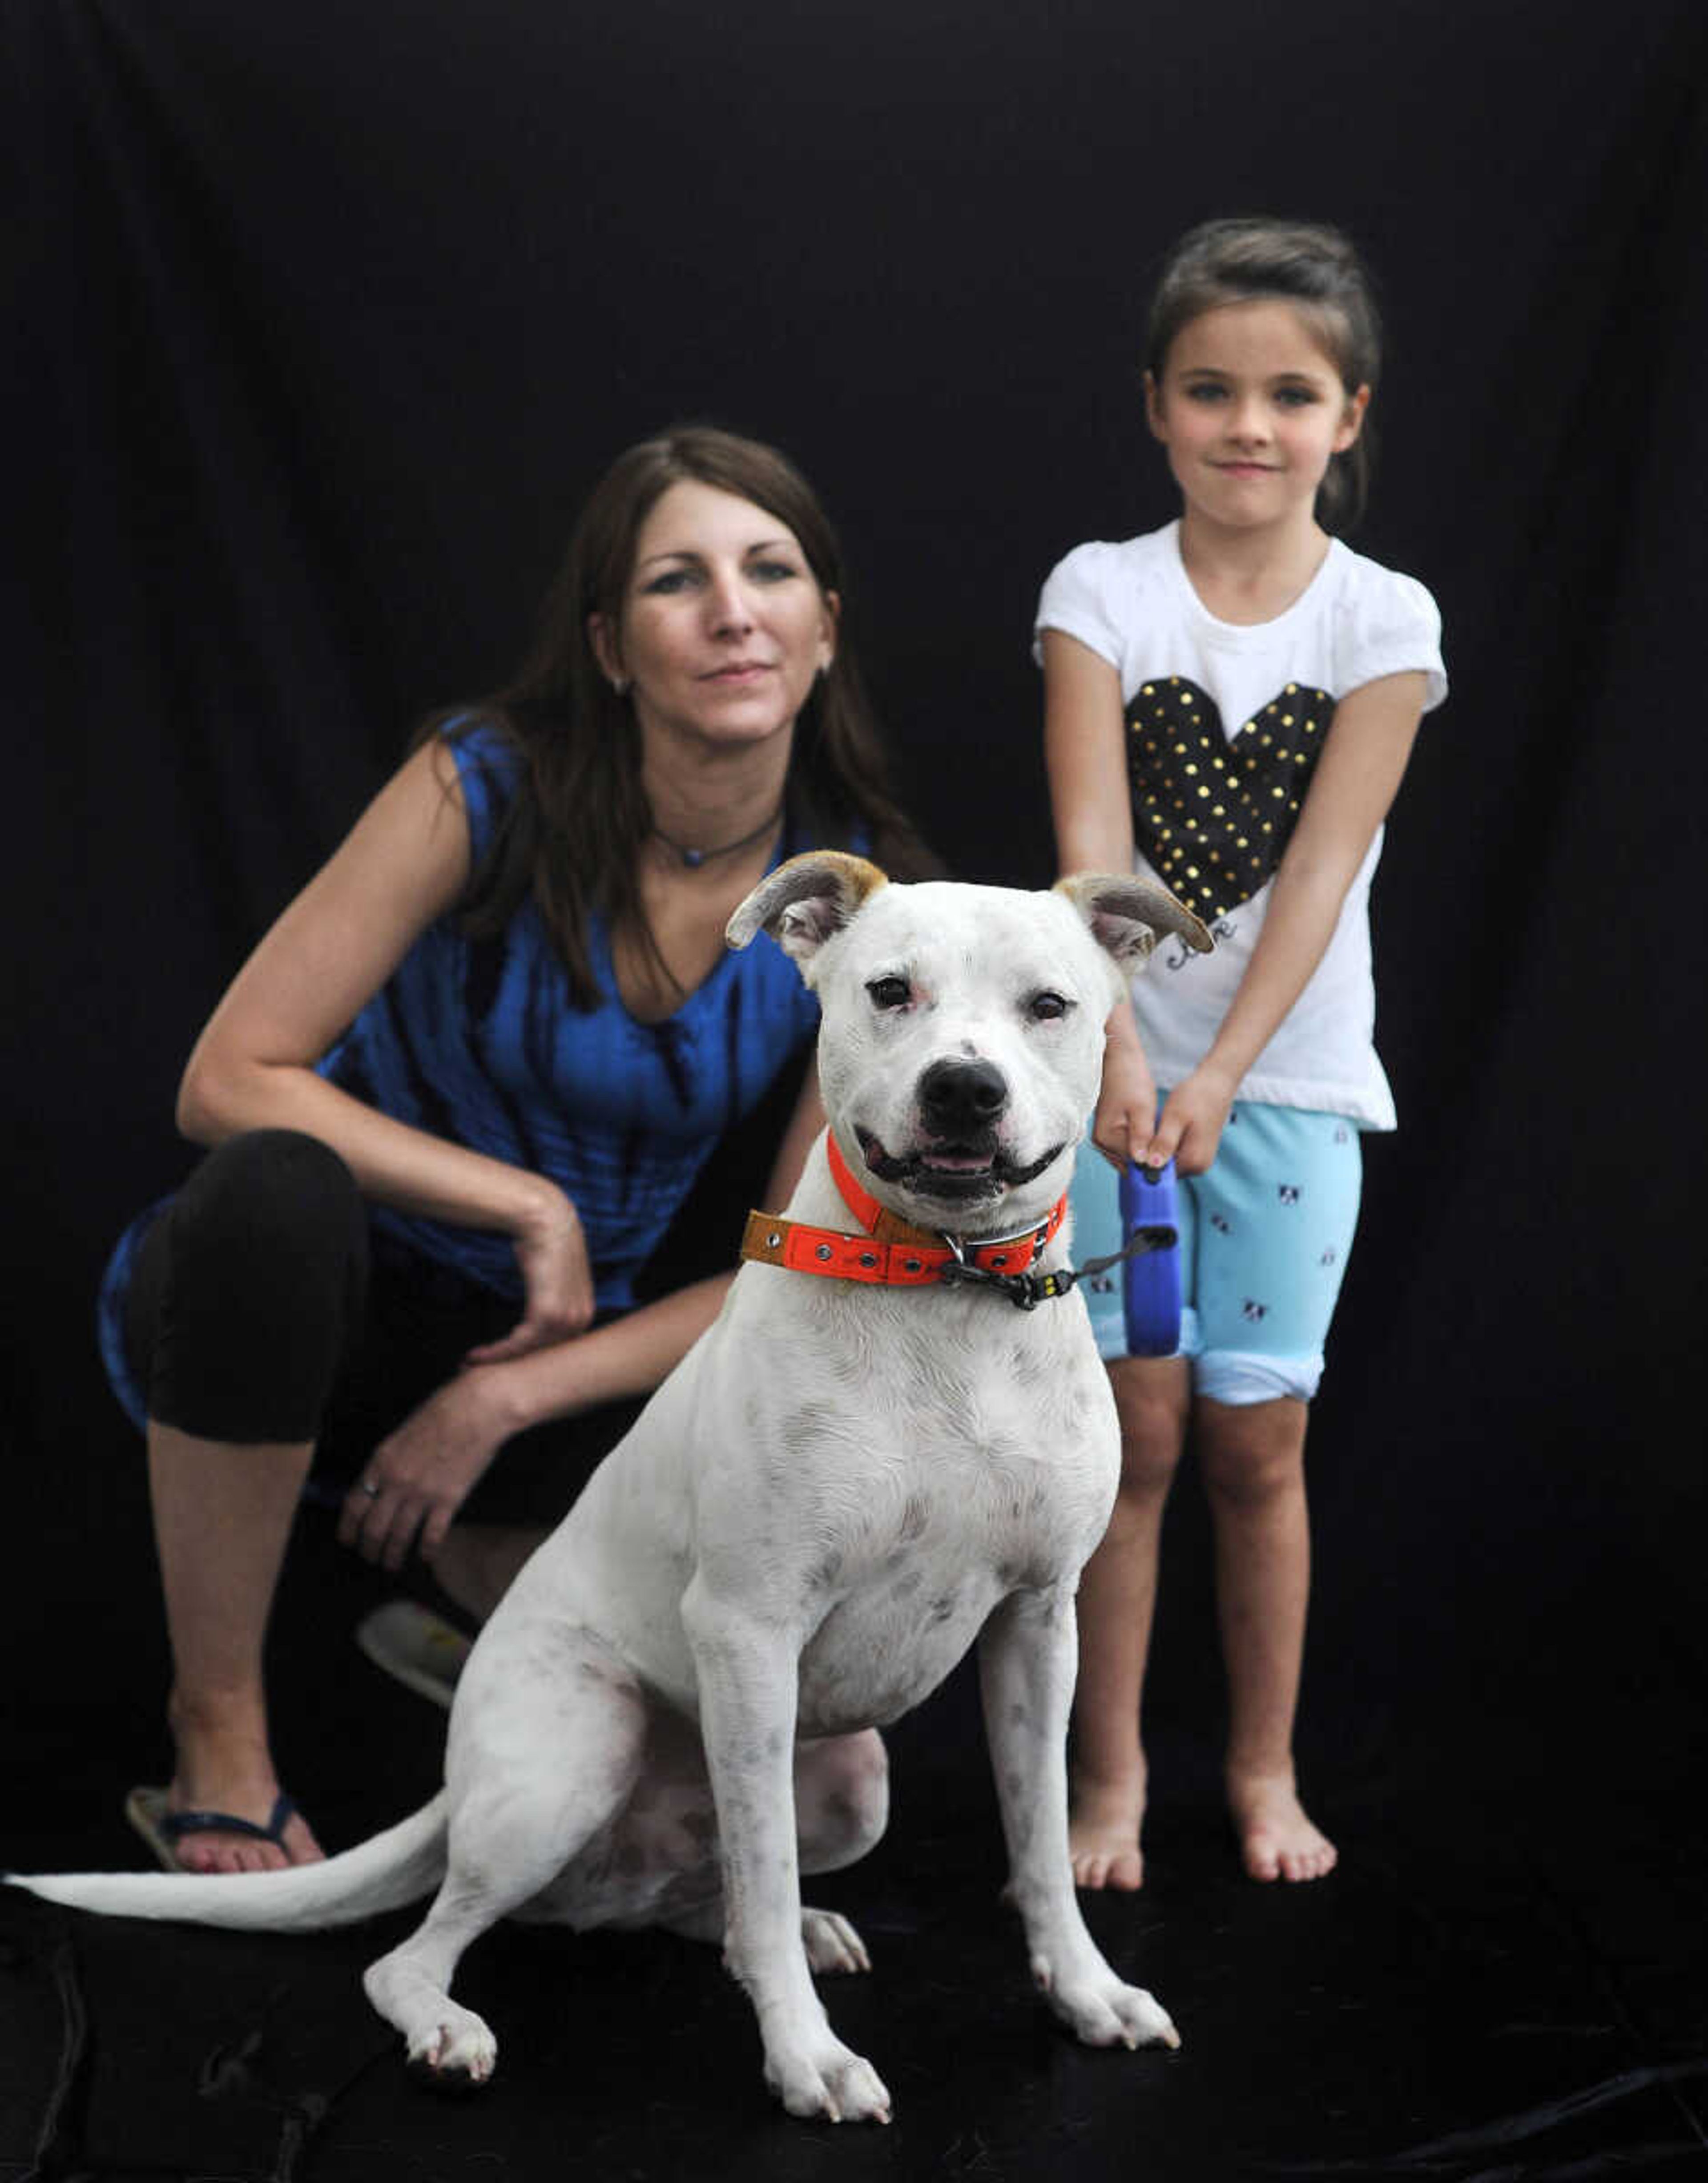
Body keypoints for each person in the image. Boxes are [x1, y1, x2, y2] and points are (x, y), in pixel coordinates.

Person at [97, 425, 930, 1875]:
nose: (734, 610)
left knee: (817, 1771)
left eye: (771, 570)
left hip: (561, 1371)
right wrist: (526, 1202)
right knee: (271, 1192)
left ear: (824, 626)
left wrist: (509, 1400)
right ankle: (215, 1730)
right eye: (680, 580)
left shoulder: (852, 898)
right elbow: (229, 1074)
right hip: (327, 1304)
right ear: (612, 645)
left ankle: (481, 1578)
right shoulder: (484, 781)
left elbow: (809, 1260)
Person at [1037, 218, 1446, 1888]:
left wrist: (1215, 1077)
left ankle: (1264, 1770)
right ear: (1155, 405)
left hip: (1278, 1096)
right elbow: (1090, 838)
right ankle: (1111, 1783)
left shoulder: (1383, 617)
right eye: (1212, 390)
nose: (1249, 426)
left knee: (1251, 1443)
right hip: (1109, 1085)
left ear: (1350, 416)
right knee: (1121, 1444)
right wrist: (1126, 1059)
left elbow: (1324, 870)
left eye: (1291, 394)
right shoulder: (1101, 590)